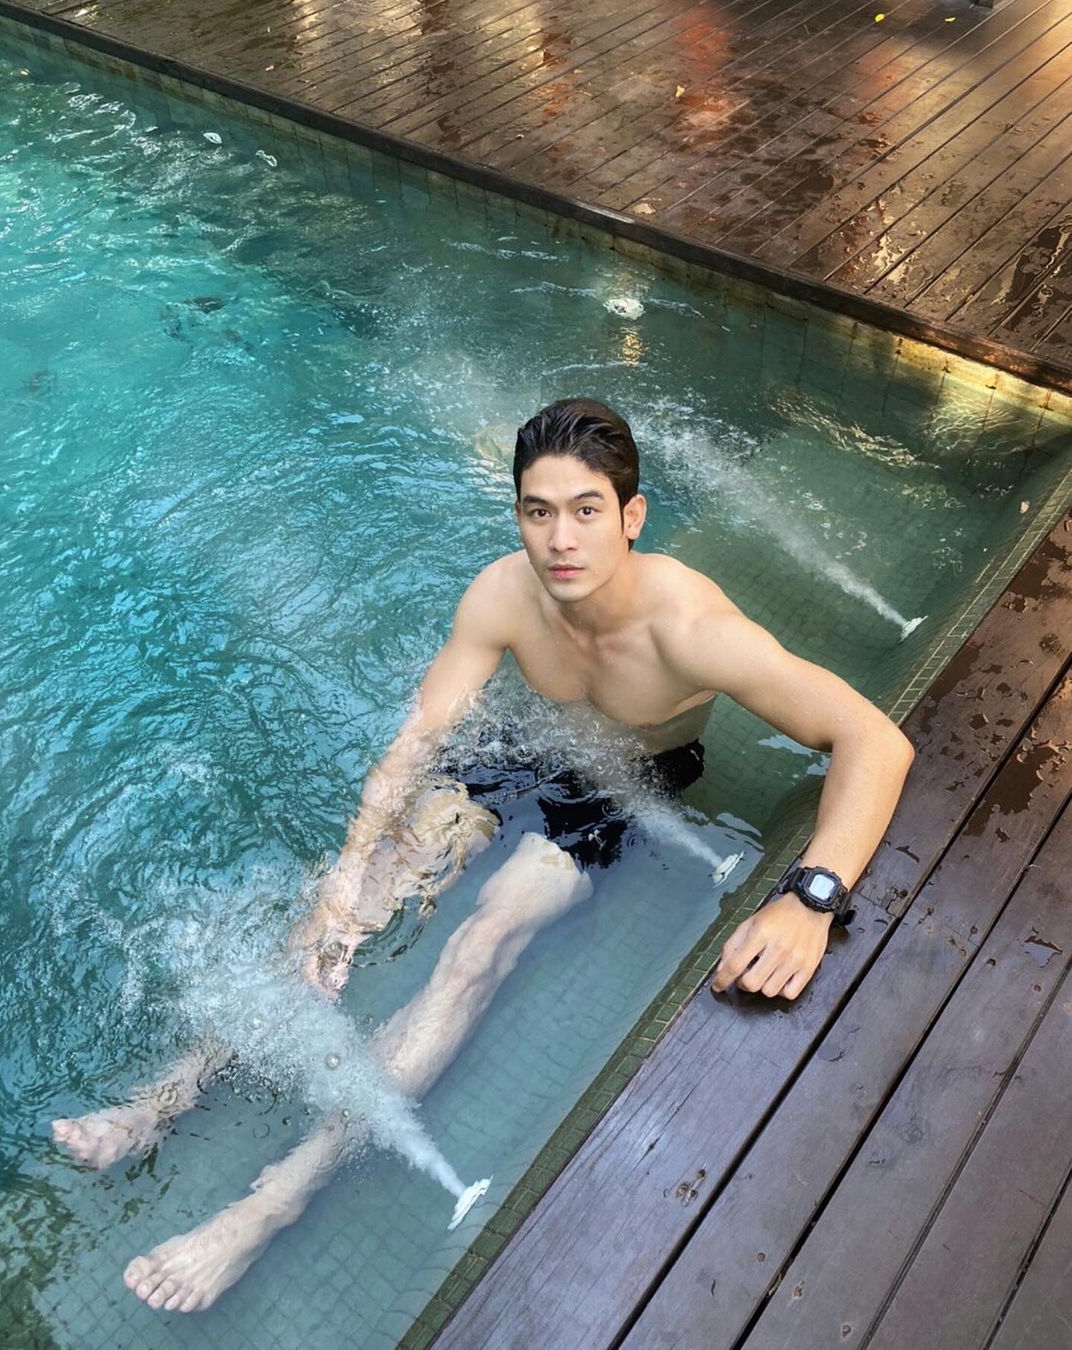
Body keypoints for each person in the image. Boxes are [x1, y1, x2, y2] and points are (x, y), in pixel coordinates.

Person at [53, 398, 914, 1313]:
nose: (560, 539)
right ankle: (161, 1100)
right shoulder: (503, 594)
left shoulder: (691, 630)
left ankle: (273, 1202)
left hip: (623, 785)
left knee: (481, 944)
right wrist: (349, 869)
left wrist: (810, 899)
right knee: (343, 906)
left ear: (632, 516)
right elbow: (419, 736)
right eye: (539, 511)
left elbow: (874, 740)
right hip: (521, 749)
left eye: (586, 510)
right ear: (517, 515)